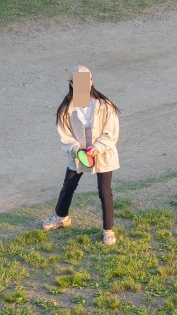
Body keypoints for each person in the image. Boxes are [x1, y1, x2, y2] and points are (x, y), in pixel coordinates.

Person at [43, 66, 121, 245]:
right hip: (77, 154)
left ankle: (108, 230)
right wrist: (76, 149)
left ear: (91, 81)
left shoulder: (105, 106)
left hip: (103, 154)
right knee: (68, 186)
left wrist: (97, 147)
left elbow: (111, 132)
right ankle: (61, 218)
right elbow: (65, 135)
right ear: (71, 84)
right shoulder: (65, 109)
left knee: (104, 191)